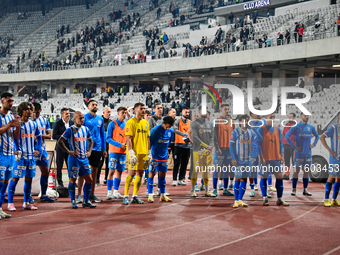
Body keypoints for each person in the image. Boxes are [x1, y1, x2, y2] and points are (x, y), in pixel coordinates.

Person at [7, 102, 42, 211]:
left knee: (29, 179)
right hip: (20, 157)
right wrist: (14, 150)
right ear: (21, 111)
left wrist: (38, 149)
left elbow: (39, 137)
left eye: (30, 109)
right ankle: (10, 203)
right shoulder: (17, 124)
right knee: (15, 178)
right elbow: (11, 138)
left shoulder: (33, 123)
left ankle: (26, 202)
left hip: (31, 157)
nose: (29, 111)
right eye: (26, 109)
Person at [58, 111, 95, 209]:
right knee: (72, 180)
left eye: (83, 118)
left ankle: (86, 201)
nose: (82, 120)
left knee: (89, 179)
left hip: (84, 158)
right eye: (80, 118)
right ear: (74, 119)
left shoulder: (86, 129)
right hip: (74, 159)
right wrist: (69, 151)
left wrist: (89, 151)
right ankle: (73, 201)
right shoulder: (70, 130)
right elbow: (60, 141)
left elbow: (91, 140)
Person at [78, 100, 107, 203]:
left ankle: (91, 194)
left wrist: (104, 149)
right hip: (85, 149)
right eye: (93, 105)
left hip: (97, 149)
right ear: (88, 106)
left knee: (94, 172)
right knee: (82, 172)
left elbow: (103, 134)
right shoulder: (84, 118)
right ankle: (79, 195)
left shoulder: (100, 119)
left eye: (96, 105)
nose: (95, 106)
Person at [257, 113, 289, 206]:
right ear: (266, 118)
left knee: (280, 177)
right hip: (265, 159)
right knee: (264, 178)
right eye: (271, 117)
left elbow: (280, 142)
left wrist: (281, 155)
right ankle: (264, 198)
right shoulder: (261, 129)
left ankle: (279, 198)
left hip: (275, 159)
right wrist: (261, 157)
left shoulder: (277, 128)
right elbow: (258, 144)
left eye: (274, 117)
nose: (273, 119)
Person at [123, 103, 151, 205]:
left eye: (144, 108)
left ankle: (135, 196)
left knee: (140, 173)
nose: (143, 110)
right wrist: (130, 152)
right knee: (131, 173)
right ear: (135, 110)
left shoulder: (146, 123)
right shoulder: (130, 122)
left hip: (143, 153)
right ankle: (126, 196)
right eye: (141, 109)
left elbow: (148, 138)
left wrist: (149, 152)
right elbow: (128, 138)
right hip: (134, 153)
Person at [285, 113, 319, 196]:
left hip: (307, 153)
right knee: (296, 172)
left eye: (307, 115)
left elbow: (317, 136)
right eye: (305, 115)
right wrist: (294, 146)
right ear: (300, 116)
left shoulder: (311, 127)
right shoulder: (296, 127)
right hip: (298, 154)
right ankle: (294, 189)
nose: (306, 117)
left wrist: (313, 144)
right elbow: (287, 136)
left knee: (306, 172)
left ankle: (305, 190)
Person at [230, 115, 260, 208]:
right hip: (238, 160)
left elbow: (258, 141)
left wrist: (254, 129)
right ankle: (235, 200)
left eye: (248, 121)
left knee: (244, 179)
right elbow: (231, 146)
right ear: (240, 122)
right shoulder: (235, 132)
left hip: (248, 161)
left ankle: (240, 200)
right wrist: (233, 158)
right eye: (245, 121)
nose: (246, 123)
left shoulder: (251, 132)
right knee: (238, 179)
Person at [0, 92, 20, 218]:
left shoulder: (11, 117)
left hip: (10, 155)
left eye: (12, 101)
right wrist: (9, 125)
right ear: (2, 101)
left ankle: (0, 208)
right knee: (0, 183)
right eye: (9, 101)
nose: (11, 103)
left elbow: (15, 136)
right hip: (1, 154)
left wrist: (17, 126)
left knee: (6, 183)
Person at [147, 116, 175, 202]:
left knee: (162, 177)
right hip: (154, 157)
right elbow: (149, 142)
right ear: (163, 123)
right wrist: (149, 154)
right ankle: (150, 195)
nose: (168, 128)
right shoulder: (155, 130)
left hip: (164, 158)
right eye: (167, 126)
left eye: (169, 127)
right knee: (151, 175)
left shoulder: (171, 131)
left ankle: (162, 195)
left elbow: (168, 142)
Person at [32, 102, 55, 202]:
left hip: (42, 150)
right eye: (34, 112)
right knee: (29, 175)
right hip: (31, 151)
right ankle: (27, 196)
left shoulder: (44, 120)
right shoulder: (28, 121)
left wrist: (38, 136)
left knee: (45, 173)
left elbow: (49, 136)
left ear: (40, 111)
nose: (35, 114)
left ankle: (44, 194)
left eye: (37, 112)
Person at [190, 109, 216, 198]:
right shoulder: (194, 123)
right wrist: (206, 146)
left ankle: (207, 190)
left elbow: (212, 136)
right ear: (199, 112)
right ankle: (192, 190)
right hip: (197, 150)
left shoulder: (210, 124)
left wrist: (211, 146)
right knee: (196, 170)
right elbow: (195, 137)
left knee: (206, 171)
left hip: (207, 151)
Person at [212, 104, 234, 196]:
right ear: (221, 110)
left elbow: (234, 135)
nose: (227, 111)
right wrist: (217, 148)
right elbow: (214, 136)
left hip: (229, 149)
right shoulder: (217, 121)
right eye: (225, 109)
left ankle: (225, 189)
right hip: (220, 149)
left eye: (228, 109)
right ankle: (214, 189)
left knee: (227, 169)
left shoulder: (232, 121)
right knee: (217, 169)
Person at [106, 107, 127, 200]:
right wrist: (119, 145)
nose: (124, 114)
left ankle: (116, 191)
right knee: (111, 171)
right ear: (118, 113)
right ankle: (109, 192)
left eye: (125, 113)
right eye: (123, 112)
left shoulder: (127, 125)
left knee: (120, 171)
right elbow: (108, 138)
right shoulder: (112, 124)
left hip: (123, 153)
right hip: (114, 152)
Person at [320, 111, 340, 206]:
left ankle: (334, 199)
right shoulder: (333, 128)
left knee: (339, 179)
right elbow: (322, 137)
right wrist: (330, 150)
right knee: (331, 177)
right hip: (335, 159)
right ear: (338, 117)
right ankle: (326, 199)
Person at [53, 108, 74, 187]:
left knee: (70, 165)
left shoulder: (72, 123)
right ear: (62, 114)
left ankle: (72, 181)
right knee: (59, 166)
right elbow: (54, 135)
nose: (68, 115)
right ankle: (60, 182)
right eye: (66, 114)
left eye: (68, 113)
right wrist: (64, 137)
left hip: (69, 148)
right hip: (60, 148)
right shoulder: (58, 123)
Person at [172, 107, 190, 186]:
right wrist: (185, 135)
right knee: (177, 163)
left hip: (187, 146)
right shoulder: (177, 121)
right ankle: (174, 179)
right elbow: (175, 130)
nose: (187, 114)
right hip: (178, 145)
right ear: (182, 112)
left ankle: (181, 179)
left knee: (184, 163)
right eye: (186, 112)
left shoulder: (190, 122)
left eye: (188, 112)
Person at [96, 107, 111, 185]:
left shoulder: (111, 122)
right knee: (100, 163)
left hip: (109, 146)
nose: (109, 113)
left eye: (110, 112)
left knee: (108, 163)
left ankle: (106, 178)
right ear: (103, 112)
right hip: (101, 146)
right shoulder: (99, 121)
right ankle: (97, 179)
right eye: (108, 112)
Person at [282, 113, 296, 180]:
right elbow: (283, 134)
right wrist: (283, 143)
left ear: (294, 118)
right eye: (289, 116)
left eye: (291, 117)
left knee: (294, 161)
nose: (289, 118)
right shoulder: (286, 125)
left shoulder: (295, 126)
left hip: (292, 145)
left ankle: (294, 175)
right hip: (285, 145)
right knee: (286, 160)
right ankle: (287, 174)